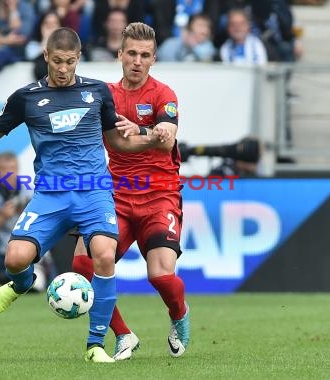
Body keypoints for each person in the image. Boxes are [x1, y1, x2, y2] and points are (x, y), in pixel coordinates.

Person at [0, 27, 171, 363]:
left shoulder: (97, 92)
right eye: (57, 61)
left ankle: (95, 345)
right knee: (14, 258)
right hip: (50, 196)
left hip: (93, 193)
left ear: (78, 58)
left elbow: (116, 141)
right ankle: (21, 284)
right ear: (46, 57)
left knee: (103, 254)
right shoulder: (25, 98)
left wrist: (152, 138)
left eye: (69, 61)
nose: (63, 68)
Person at [72, 22, 190, 360]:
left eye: (145, 55)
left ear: (153, 59)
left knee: (160, 274)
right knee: (82, 265)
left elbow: (166, 133)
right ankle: (123, 334)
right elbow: (99, 136)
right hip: (117, 197)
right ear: (119, 55)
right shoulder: (105, 95)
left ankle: (179, 314)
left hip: (159, 195)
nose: (137, 61)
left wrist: (141, 128)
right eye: (131, 54)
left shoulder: (163, 94)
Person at [0, 152, 53, 292]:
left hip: (23, 247)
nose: (8, 173)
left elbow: (45, 225)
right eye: (3, 169)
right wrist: (2, 216)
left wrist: (26, 212)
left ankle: (50, 288)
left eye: (12, 169)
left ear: (18, 170)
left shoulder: (28, 192)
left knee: (48, 253)